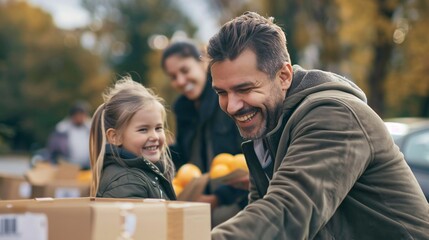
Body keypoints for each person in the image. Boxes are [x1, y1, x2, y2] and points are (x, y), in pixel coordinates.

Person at [207, 11, 429, 239]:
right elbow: (260, 212)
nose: (232, 106)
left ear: (284, 76)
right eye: (222, 92)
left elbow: (286, 213)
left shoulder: (335, 116)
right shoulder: (268, 123)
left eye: (245, 89)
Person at [161, 40, 248, 226]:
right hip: (198, 198)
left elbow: (246, 157)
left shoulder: (225, 99)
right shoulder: (182, 109)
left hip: (236, 199)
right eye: (173, 76)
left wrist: (218, 197)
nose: (180, 81)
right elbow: (185, 157)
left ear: (202, 62)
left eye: (185, 70)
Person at [89, 77, 176, 200]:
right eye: (143, 130)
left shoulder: (146, 173)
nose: (155, 136)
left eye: (158, 128)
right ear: (115, 137)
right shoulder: (127, 183)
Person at [45, 101, 91, 170]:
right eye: (77, 115)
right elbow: (52, 151)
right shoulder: (61, 130)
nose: (79, 117)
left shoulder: (91, 129)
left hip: (87, 168)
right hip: (67, 167)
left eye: (82, 115)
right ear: (72, 116)